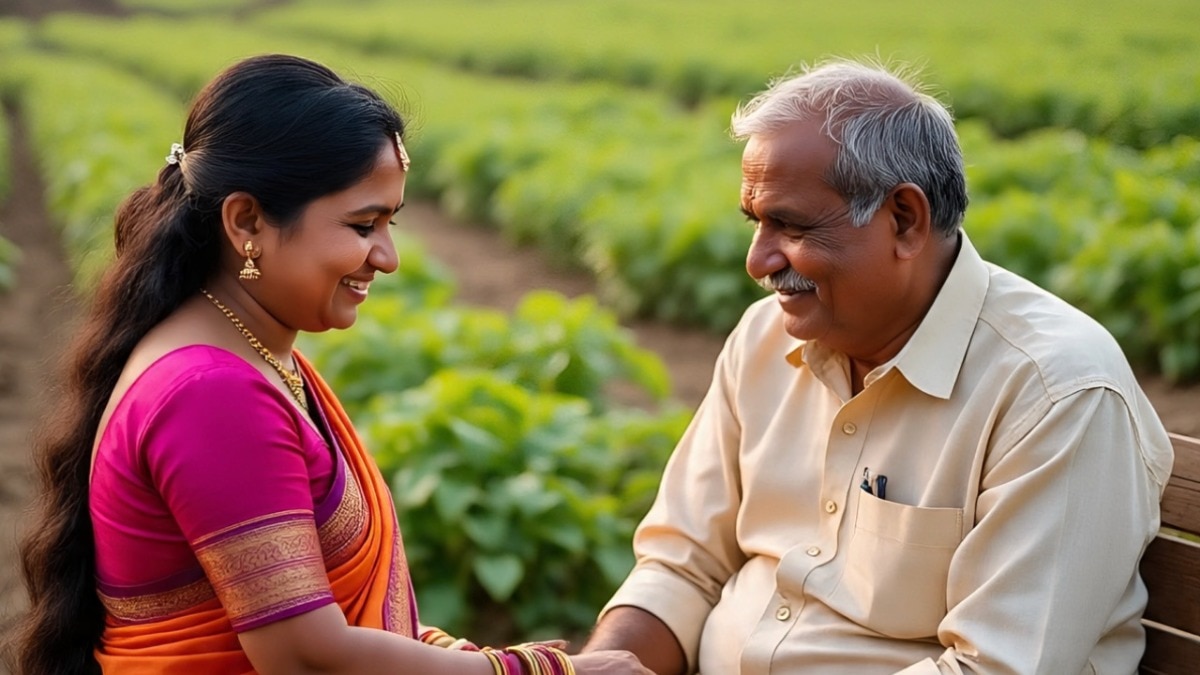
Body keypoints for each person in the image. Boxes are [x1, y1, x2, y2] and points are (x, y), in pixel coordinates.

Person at [14, 53, 650, 675]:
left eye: (390, 222)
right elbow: (305, 656)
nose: (389, 256)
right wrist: (543, 670)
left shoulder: (254, 357)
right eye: (363, 224)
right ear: (246, 221)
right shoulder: (211, 393)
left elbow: (346, 631)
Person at [583, 59, 1175, 674]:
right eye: (755, 222)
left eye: (790, 225)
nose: (758, 261)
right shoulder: (764, 340)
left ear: (904, 220)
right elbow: (682, 566)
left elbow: (995, 666)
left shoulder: (1055, 391)